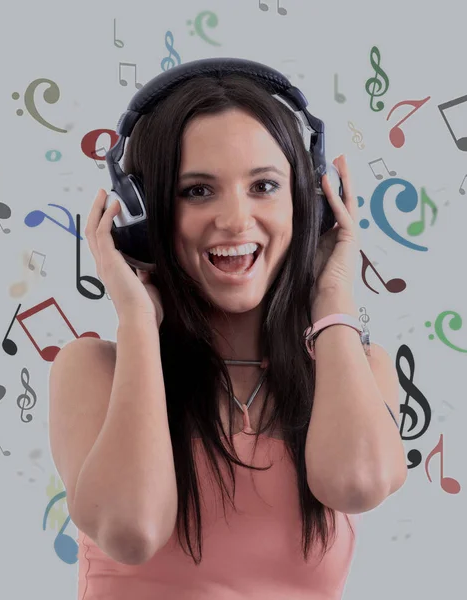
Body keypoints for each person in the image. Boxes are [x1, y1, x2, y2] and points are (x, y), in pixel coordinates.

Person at [48, 73, 406, 599]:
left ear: (309, 203)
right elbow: (132, 531)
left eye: (263, 186)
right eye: (197, 191)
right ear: (143, 215)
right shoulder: (93, 369)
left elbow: (357, 484)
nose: (237, 219)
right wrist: (139, 323)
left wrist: (332, 297)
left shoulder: (356, 367)